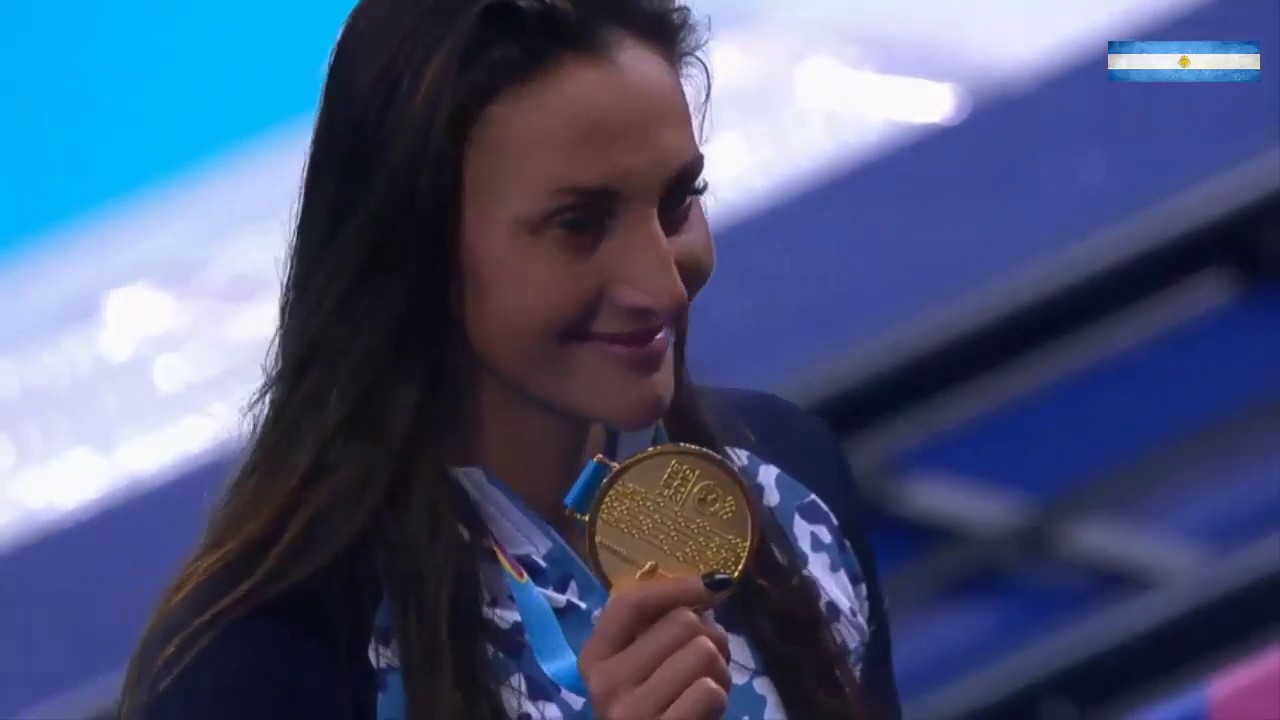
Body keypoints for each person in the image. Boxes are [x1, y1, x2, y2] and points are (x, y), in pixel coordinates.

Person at [118, 0, 900, 718]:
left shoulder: (791, 496)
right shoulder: (258, 670)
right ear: (414, 247)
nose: (660, 283)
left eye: (676, 202)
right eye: (578, 224)